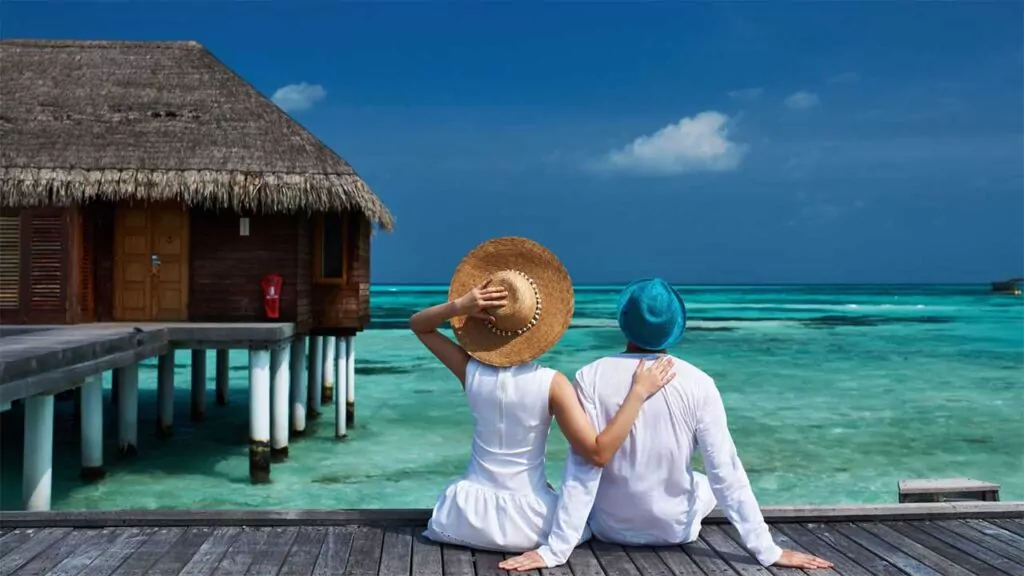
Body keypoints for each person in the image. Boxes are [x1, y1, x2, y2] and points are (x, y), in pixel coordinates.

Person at [500, 278, 834, 571]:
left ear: (624, 323)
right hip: (676, 531)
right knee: (705, 480)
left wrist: (556, 550)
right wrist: (767, 550)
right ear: (675, 326)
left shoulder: (590, 376)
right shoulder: (698, 382)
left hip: (609, 526)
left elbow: (582, 469)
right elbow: (727, 474)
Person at [410, 237, 676, 554]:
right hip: (529, 524)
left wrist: (458, 307)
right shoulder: (552, 383)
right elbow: (597, 453)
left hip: (462, 517)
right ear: (538, 325)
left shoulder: (471, 372)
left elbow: (419, 326)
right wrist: (638, 393)